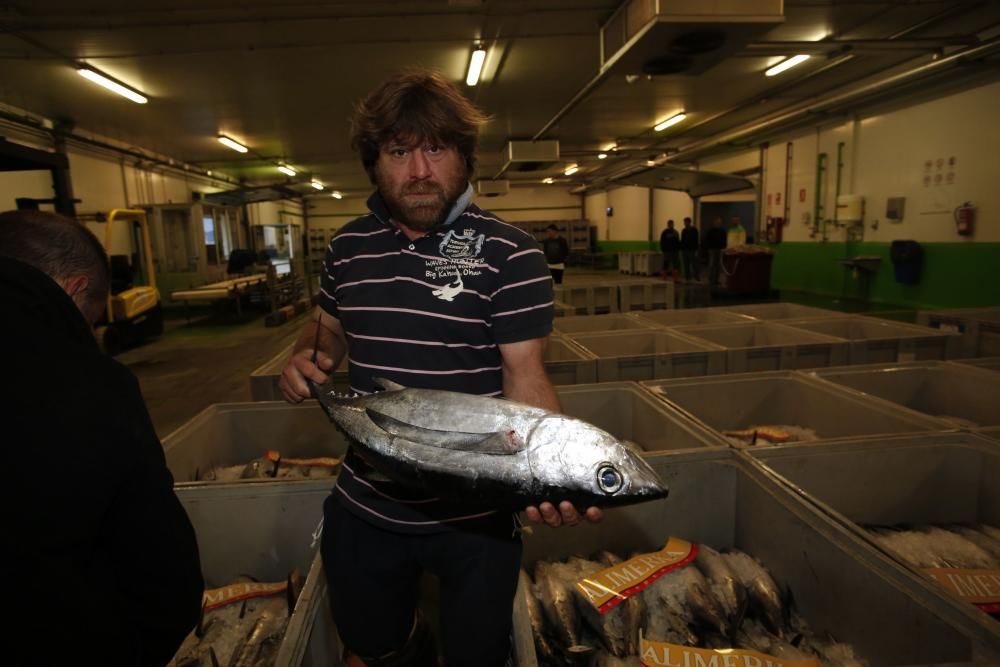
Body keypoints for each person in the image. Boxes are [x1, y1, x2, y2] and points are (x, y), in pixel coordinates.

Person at [278, 69, 601, 666]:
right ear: (375, 163)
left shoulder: (512, 252)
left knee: (476, 654)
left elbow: (526, 376)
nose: (420, 171)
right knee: (373, 644)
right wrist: (308, 359)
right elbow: (329, 330)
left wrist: (552, 472)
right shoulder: (347, 248)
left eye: (436, 148)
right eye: (400, 151)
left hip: (476, 516)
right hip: (367, 501)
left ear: (465, 157)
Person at [0, 209, 204, 666]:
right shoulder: (88, 384)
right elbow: (154, 555)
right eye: (90, 322)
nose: (88, 335)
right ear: (73, 290)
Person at [705, 216, 728, 287]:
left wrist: (724, 248)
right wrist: (708, 247)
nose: (718, 224)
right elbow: (707, 240)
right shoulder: (710, 231)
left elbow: (725, 240)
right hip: (712, 249)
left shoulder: (723, 231)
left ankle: (716, 279)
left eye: (719, 223)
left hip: (720, 249)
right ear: (714, 223)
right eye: (717, 222)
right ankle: (710, 279)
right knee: (711, 264)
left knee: (718, 265)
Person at [680, 216, 699, 281]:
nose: (685, 223)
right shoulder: (684, 230)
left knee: (694, 264)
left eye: (685, 222)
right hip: (685, 249)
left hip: (692, 249)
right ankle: (687, 277)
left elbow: (696, 240)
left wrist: (696, 249)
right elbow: (682, 240)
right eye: (684, 222)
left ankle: (696, 277)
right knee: (686, 264)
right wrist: (682, 248)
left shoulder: (694, 230)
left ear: (689, 222)